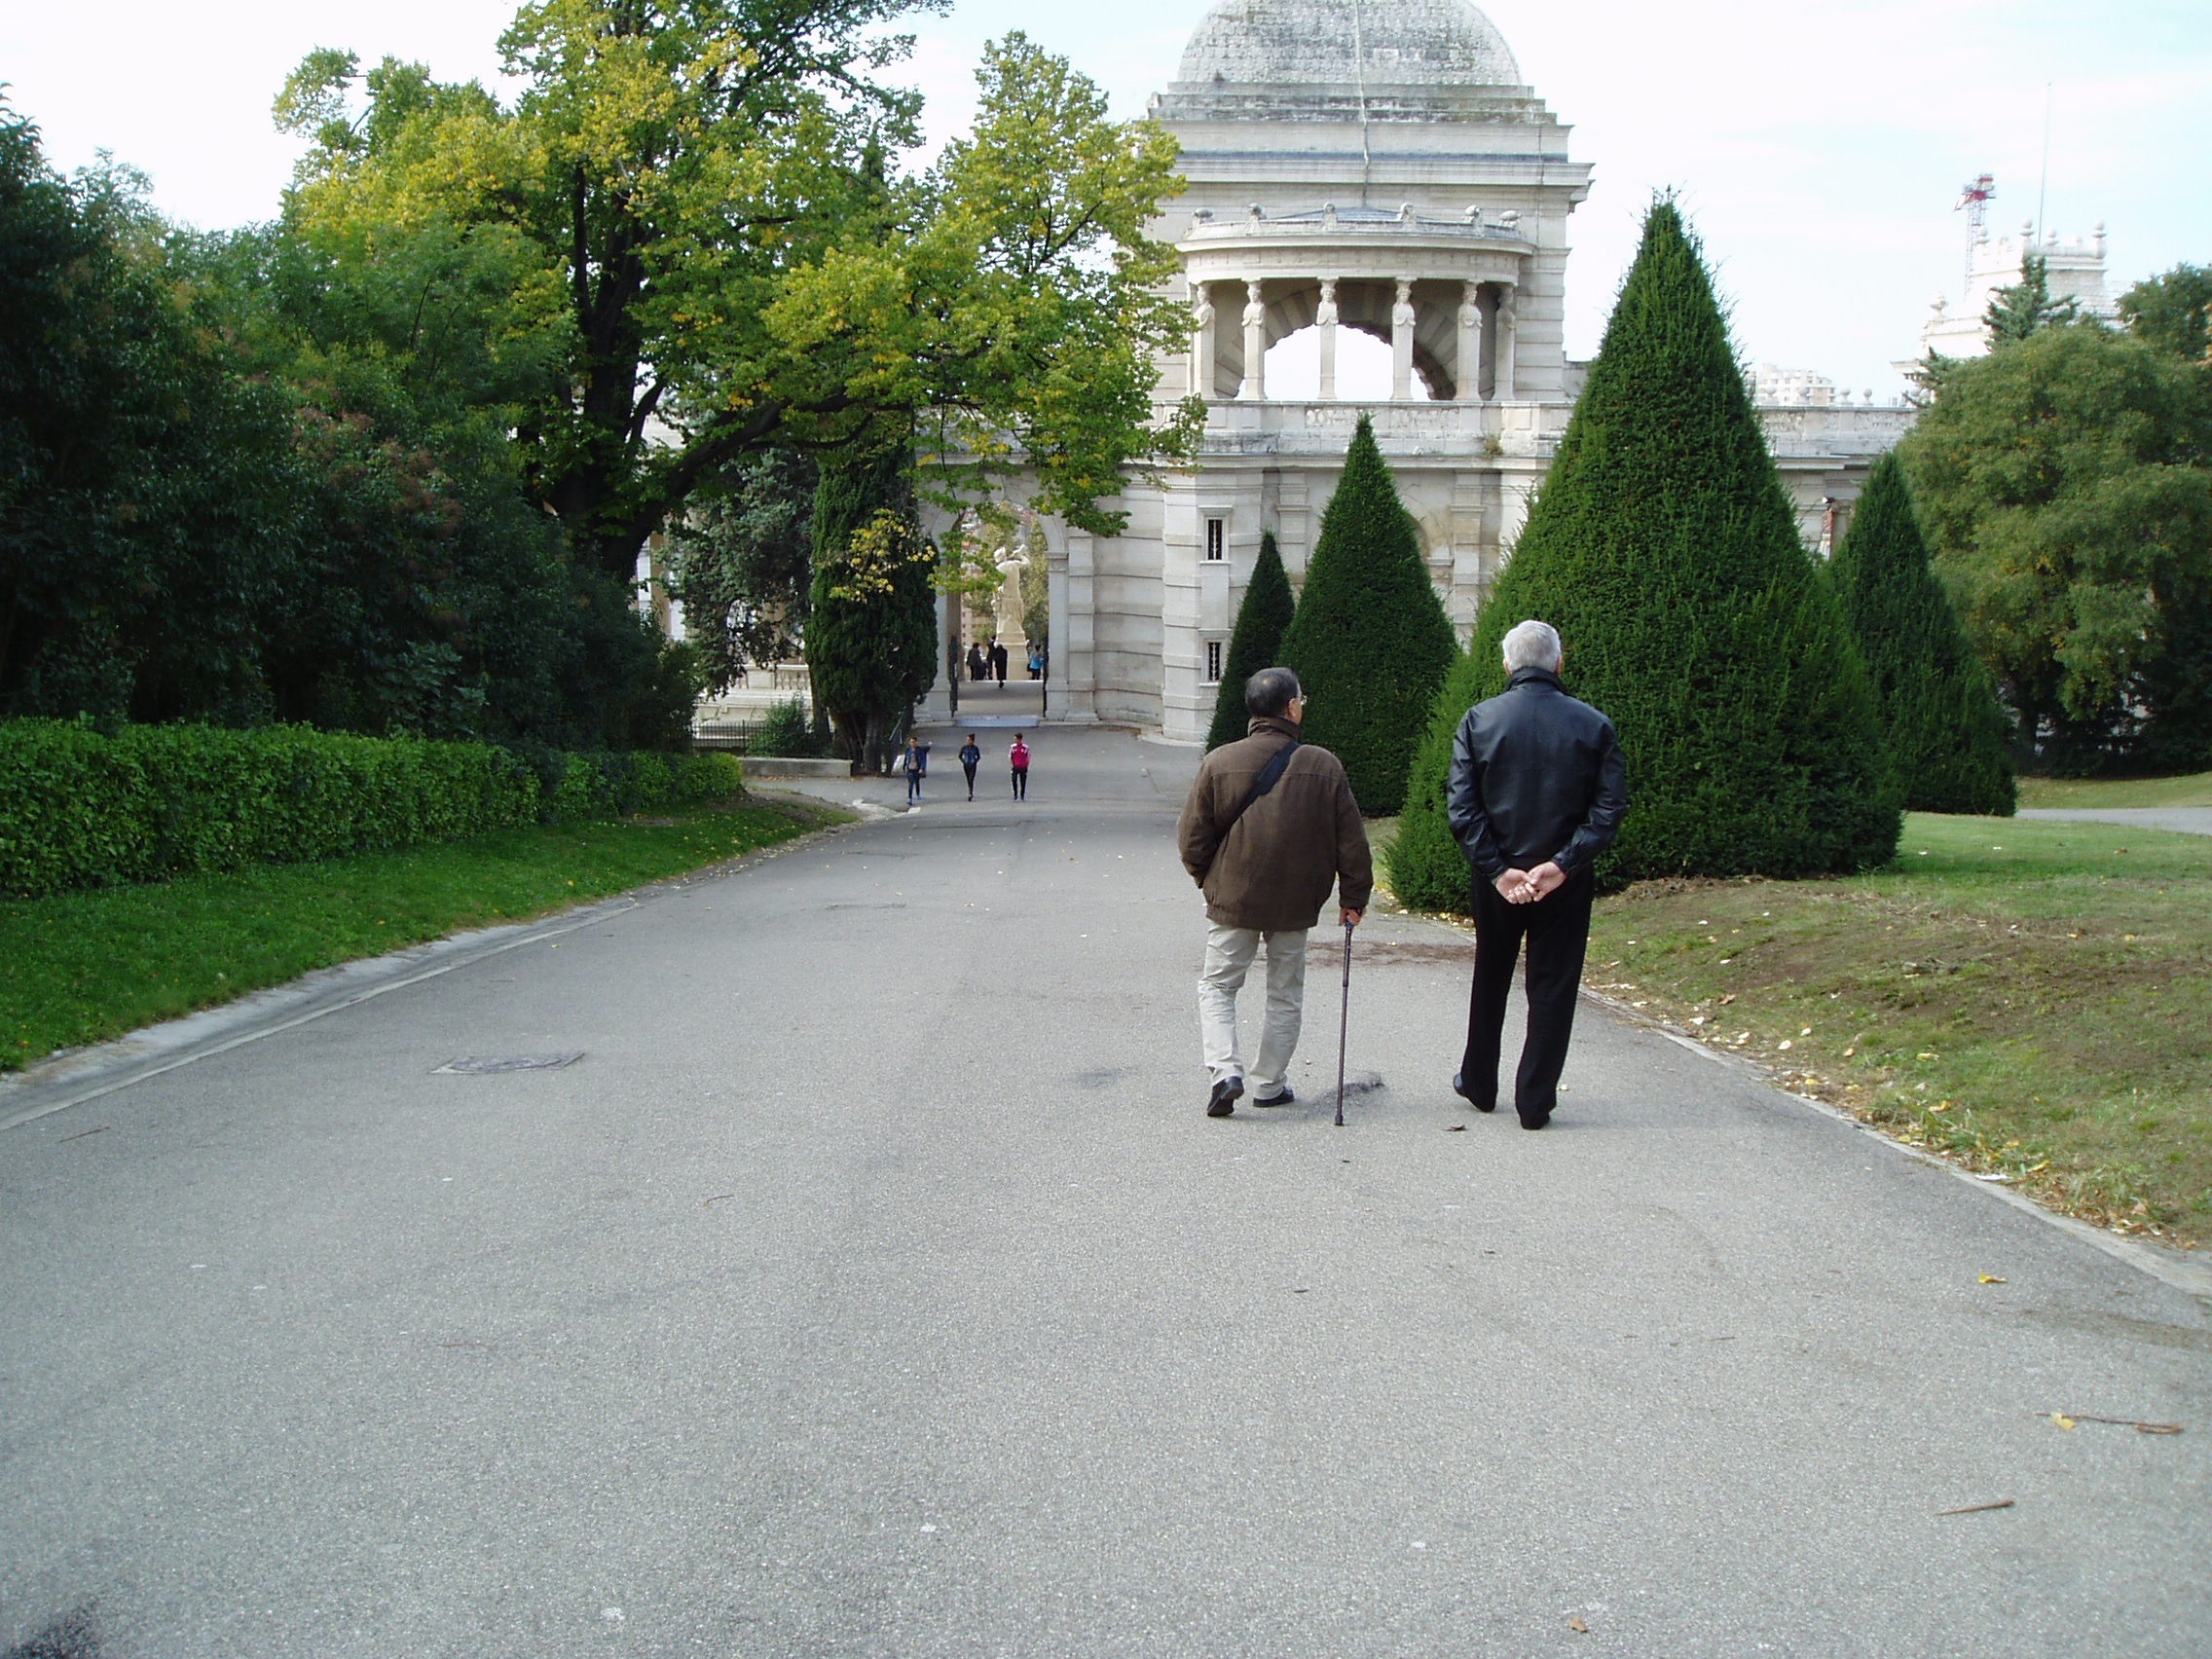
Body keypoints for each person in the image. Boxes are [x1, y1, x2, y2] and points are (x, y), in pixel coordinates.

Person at [1445, 619, 1629, 1129]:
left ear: (1507, 665)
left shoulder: (1480, 720)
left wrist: (1500, 870)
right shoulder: (1594, 725)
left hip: (1499, 877)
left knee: (1491, 975)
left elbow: (1462, 808)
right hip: (1563, 880)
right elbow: (1609, 808)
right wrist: (1563, 864)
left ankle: (1479, 1082)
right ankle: (1535, 1100)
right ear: (1559, 662)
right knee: (1553, 986)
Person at [1176, 667, 1372, 1119]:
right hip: (1296, 900)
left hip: (1233, 896)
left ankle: (1225, 1071)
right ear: (1290, 708)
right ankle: (1268, 1084)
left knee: (1218, 986)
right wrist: (1353, 897)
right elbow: (1351, 840)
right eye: (1301, 699)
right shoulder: (1322, 764)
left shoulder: (1219, 761)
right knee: (1284, 992)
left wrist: (1207, 879)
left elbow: (1192, 837)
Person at [902, 734, 931, 804]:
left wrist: (922, 768)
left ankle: (918, 794)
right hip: (910, 769)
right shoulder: (908, 750)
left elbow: (923, 760)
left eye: (914, 742)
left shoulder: (920, 750)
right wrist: (904, 766)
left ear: (916, 742)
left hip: (917, 769)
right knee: (910, 784)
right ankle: (910, 798)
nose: (912, 744)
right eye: (911, 742)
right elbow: (906, 759)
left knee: (917, 782)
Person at [958, 734, 982, 800]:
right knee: (968, 779)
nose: (968, 741)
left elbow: (978, 756)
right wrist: (963, 761)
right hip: (966, 766)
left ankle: (970, 793)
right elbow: (960, 756)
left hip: (973, 766)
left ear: (972, 741)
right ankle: (970, 789)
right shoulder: (964, 748)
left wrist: (975, 761)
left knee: (971, 779)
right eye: (967, 740)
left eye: (969, 740)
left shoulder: (975, 748)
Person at [1009, 734, 1030, 800]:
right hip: (1015, 767)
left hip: (1023, 767)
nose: (1015, 740)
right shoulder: (1013, 747)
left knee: (1023, 781)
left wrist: (1026, 765)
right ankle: (1015, 794)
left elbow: (1028, 757)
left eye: (1016, 739)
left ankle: (1022, 795)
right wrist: (1012, 765)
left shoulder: (1025, 747)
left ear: (1019, 739)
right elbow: (1010, 756)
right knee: (1014, 780)